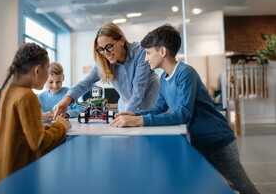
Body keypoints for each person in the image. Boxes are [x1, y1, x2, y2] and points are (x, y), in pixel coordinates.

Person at [110, 24, 259, 194]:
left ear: (163, 51)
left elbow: (183, 114)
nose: (145, 59)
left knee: (242, 187)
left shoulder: (186, 73)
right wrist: (134, 114)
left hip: (217, 141)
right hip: (196, 141)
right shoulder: (164, 79)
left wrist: (139, 120)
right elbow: (159, 108)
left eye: (148, 53)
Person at [0, 43, 71, 184]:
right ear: (38, 70)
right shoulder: (27, 96)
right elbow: (39, 142)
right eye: (47, 69)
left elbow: (20, 132)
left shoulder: (8, 91)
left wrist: (48, 128)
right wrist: (61, 127)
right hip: (17, 174)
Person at [53, 22, 160, 118]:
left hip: (150, 105)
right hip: (126, 110)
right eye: (101, 49)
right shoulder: (104, 62)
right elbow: (85, 83)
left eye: (109, 46)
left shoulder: (140, 52)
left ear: (122, 40)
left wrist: (125, 116)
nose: (106, 53)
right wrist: (66, 100)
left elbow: (138, 91)